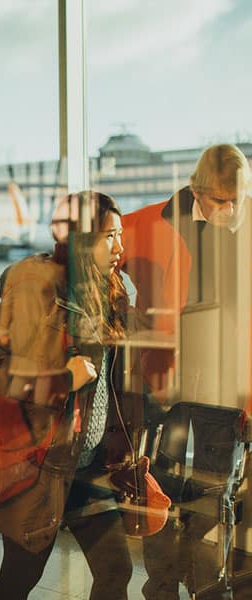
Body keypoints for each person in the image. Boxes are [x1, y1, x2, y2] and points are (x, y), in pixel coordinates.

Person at [0, 191, 135, 600]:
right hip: (41, 468)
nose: (120, 246)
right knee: (19, 579)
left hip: (90, 465)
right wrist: (62, 379)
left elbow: (115, 380)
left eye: (120, 235)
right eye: (109, 236)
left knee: (116, 570)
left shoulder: (111, 293)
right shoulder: (38, 291)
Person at [119, 144, 251, 599]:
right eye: (220, 200)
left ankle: (205, 585)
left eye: (238, 199)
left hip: (223, 387)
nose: (230, 209)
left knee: (214, 493)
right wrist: (123, 311)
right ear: (197, 191)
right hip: (166, 385)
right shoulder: (151, 222)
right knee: (161, 486)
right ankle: (161, 587)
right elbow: (90, 254)